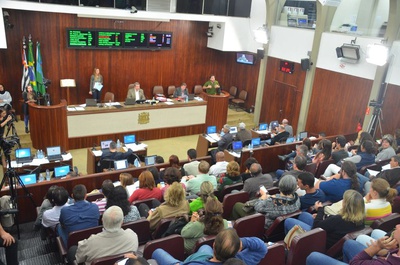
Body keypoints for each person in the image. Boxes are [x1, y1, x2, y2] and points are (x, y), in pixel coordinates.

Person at [285, 189, 365, 249]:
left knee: (288, 221)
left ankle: (290, 249)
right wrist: (323, 217)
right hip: (329, 234)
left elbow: (316, 227)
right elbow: (333, 224)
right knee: (304, 215)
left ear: (346, 205)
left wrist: (320, 209)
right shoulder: (361, 221)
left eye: (344, 200)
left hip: (319, 239)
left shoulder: (339, 219)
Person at [152, 228, 267, 265]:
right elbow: (262, 247)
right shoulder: (242, 260)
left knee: (157, 251)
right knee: (205, 248)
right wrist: (239, 243)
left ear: (215, 244)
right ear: (238, 250)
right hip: (205, 257)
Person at [70, 206, 139, 265]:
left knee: (73, 250)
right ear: (122, 222)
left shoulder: (91, 242)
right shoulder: (132, 235)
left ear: (102, 221)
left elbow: (79, 259)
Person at [232, 175, 300, 225]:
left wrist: (263, 196)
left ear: (280, 186)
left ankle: (236, 226)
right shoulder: (297, 199)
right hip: (278, 227)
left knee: (237, 205)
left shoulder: (272, 202)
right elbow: (284, 201)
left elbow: (257, 207)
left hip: (264, 223)